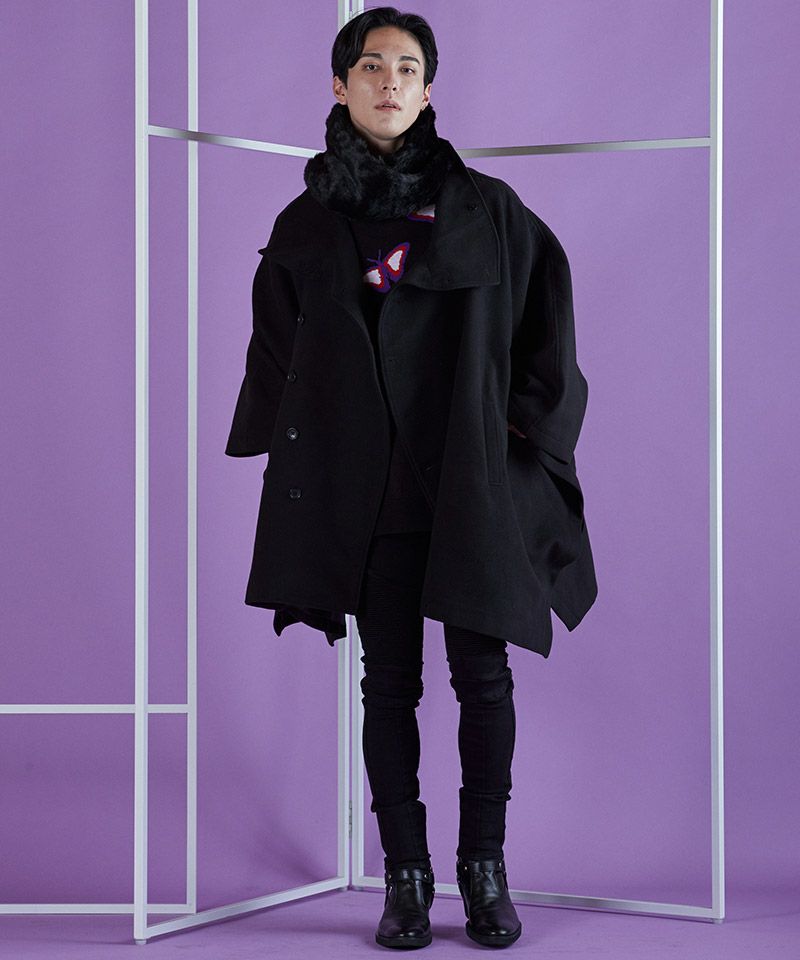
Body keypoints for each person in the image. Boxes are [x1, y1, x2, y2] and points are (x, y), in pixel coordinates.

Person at [227, 4, 596, 951]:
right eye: (370, 65)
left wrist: (521, 432)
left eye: (406, 68)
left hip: (469, 483)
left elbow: (549, 329)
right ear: (340, 84)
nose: (388, 81)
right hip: (370, 491)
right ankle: (406, 876)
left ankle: (484, 870)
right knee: (387, 686)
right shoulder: (307, 222)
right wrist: (300, 443)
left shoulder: (489, 209)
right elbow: (277, 348)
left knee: (484, 677)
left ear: (428, 90)